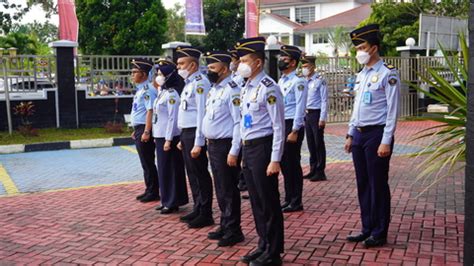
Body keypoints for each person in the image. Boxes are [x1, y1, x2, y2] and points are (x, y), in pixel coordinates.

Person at [344, 24, 400, 248]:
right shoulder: (361, 75)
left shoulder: (388, 72)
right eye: (357, 47)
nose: (359, 51)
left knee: (378, 184)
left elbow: (392, 109)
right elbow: (357, 107)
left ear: (374, 47)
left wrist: (386, 140)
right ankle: (367, 227)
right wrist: (349, 133)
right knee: (363, 183)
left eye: (363, 46)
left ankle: (379, 231)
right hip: (359, 134)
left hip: (377, 134)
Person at [237, 37, 285, 266]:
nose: (240, 64)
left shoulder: (269, 87)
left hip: (263, 149)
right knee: (256, 201)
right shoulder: (247, 87)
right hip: (249, 149)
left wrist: (275, 159)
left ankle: (273, 253)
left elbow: (278, 126)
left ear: (257, 63)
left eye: (244, 60)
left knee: (268, 202)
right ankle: (263, 244)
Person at [201, 51, 245, 247]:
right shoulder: (215, 89)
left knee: (228, 189)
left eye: (212, 67)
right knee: (220, 188)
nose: (208, 71)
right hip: (213, 145)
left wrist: (234, 150)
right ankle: (225, 224)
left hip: (225, 145)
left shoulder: (232, 90)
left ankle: (234, 230)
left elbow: (238, 122)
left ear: (225, 69)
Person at [175, 46, 214, 229]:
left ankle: (206, 212)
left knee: (200, 173)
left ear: (192, 65)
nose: (178, 67)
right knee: (192, 173)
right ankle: (198, 207)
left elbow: (201, 114)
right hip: (187, 133)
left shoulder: (200, 83)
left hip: (195, 133)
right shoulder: (189, 83)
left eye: (181, 63)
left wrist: (198, 142)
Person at [152, 60, 189, 214]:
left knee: (171, 169)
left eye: (161, 74)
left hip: (170, 137)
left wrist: (168, 140)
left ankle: (173, 201)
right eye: (158, 74)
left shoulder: (172, 94)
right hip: (160, 135)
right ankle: (166, 199)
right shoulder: (163, 92)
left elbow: (173, 118)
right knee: (163, 170)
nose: (159, 77)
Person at [277, 45, 308, 213]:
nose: (281, 61)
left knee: (293, 164)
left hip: (292, 125)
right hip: (283, 123)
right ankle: (288, 198)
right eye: (281, 58)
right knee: (284, 164)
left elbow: (300, 107)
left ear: (293, 62)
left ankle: (296, 200)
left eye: (285, 59)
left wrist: (295, 130)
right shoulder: (282, 80)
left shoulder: (299, 81)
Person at [130, 58, 160, 203]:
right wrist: (136, 129)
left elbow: (150, 110)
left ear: (143, 74)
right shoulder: (141, 89)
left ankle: (153, 191)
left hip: (145, 128)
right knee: (145, 162)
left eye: (135, 72)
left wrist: (147, 131)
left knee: (148, 162)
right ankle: (149, 189)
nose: (132, 75)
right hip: (140, 128)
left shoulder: (148, 90)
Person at [301, 55, 328, 182]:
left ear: (313, 67)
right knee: (310, 143)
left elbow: (324, 100)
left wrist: (322, 118)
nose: (304, 69)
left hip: (316, 114)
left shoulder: (319, 80)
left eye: (306, 66)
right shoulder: (304, 81)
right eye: (303, 67)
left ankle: (320, 170)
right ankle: (312, 169)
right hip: (307, 114)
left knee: (318, 143)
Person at [228, 46, 248, 195]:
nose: (233, 63)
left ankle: (244, 180)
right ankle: (242, 179)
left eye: (235, 60)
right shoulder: (234, 77)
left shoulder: (241, 78)